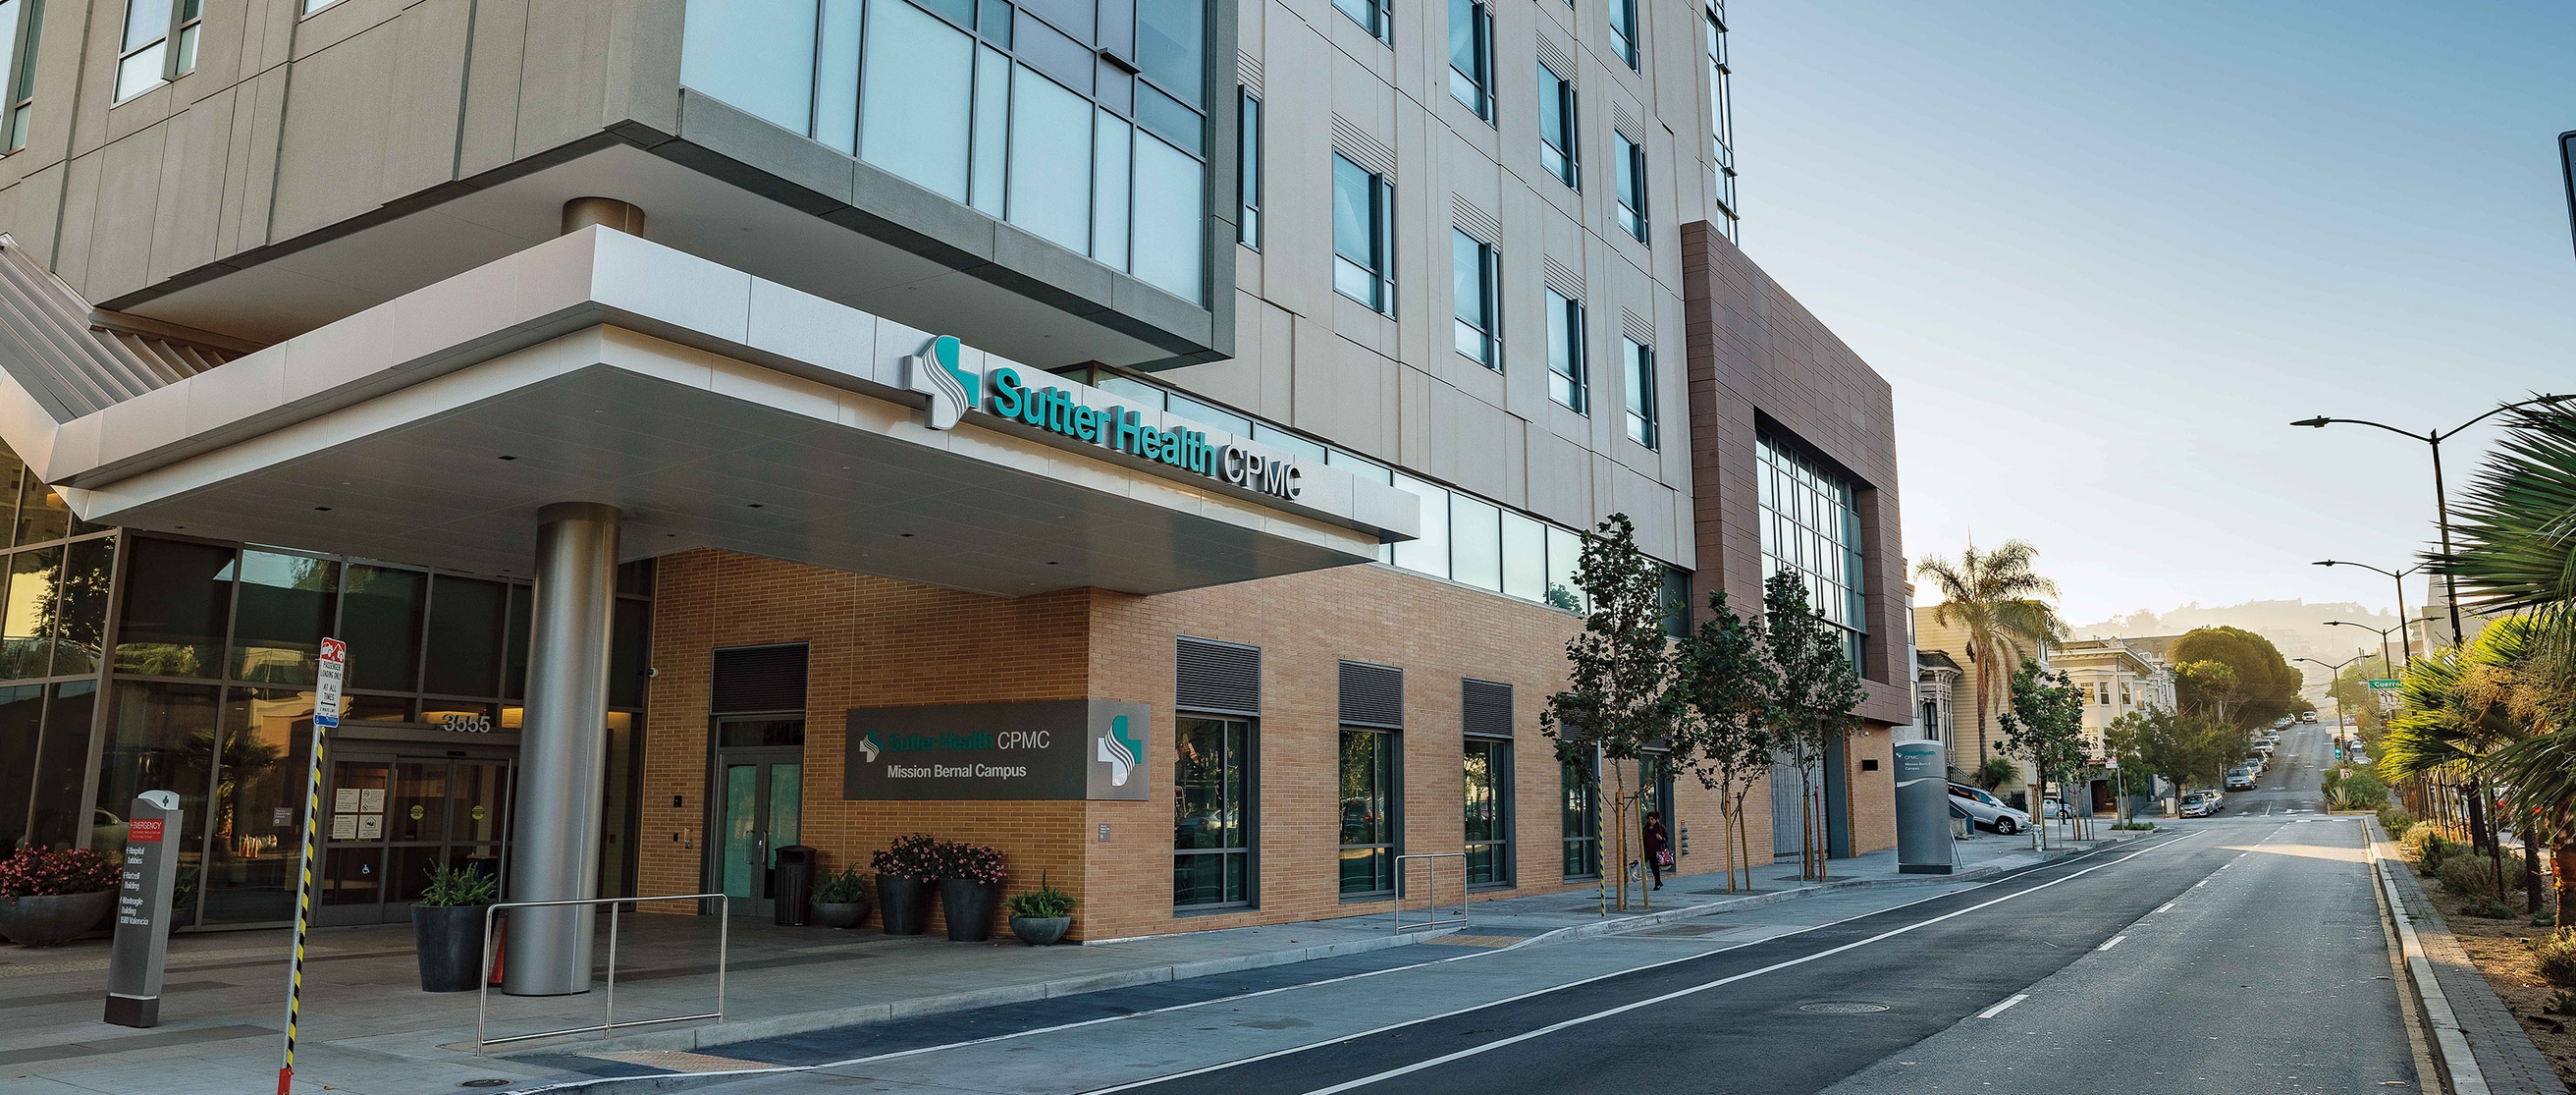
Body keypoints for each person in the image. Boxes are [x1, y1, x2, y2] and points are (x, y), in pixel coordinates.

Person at [1641, 810, 1671, 890]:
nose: (1651, 821)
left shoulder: (1660, 828)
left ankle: (1657, 883)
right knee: (1653, 867)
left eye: (1652, 819)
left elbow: (1666, 838)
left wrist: (1661, 838)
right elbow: (1643, 840)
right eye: (1649, 819)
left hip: (1658, 851)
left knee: (1656, 867)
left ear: (1656, 819)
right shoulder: (1646, 829)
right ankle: (1659, 882)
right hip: (1649, 851)